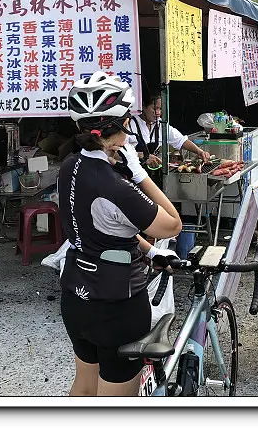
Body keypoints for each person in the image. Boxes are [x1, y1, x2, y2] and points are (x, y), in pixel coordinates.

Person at [58, 72, 183, 397]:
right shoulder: (116, 186)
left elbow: (108, 230)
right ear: (118, 126)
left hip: (75, 294)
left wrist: (152, 252)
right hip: (117, 303)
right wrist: (140, 175)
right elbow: (172, 224)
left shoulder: (69, 166)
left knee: (84, 388)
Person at [127, 92, 210, 173]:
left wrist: (200, 152)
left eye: (161, 109)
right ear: (144, 107)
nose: (158, 113)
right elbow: (118, 152)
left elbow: (181, 141)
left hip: (151, 172)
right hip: (131, 171)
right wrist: (143, 156)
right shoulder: (130, 125)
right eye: (155, 108)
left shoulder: (161, 125)